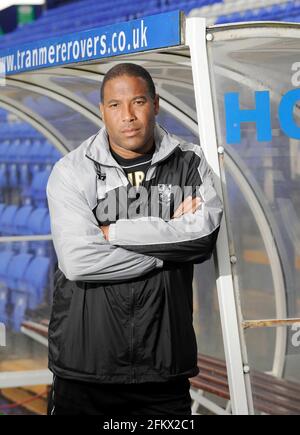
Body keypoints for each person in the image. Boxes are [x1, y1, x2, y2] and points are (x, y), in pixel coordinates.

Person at [46, 62, 223, 415]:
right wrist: (168, 247)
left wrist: (114, 233)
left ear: (155, 104)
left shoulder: (190, 162)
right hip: (85, 368)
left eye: (138, 102)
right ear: (102, 111)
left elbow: (202, 237)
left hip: (163, 369)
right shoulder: (72, 170)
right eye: (115, 105)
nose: (127, 115)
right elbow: (79, 261)